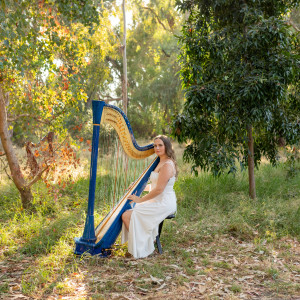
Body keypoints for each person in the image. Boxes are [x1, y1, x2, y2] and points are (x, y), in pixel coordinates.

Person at [121, 135, 178, 259]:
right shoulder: (160, 161)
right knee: (127, 212)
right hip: (157, 199)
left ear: (166, 146)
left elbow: (159, 189)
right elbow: (155, 185)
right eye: (155, 146)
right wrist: (137, 187)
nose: (157, 148)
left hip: (164, 202)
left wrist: (140, 199)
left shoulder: (167, 164)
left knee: (127, 215)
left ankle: (142, 246)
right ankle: (143, 243)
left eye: (160, 145)